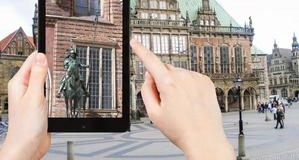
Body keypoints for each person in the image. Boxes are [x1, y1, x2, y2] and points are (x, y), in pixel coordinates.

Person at [0, 40, 235, 160]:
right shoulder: (68, 61)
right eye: (73, 55)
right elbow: (70, 65)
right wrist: (210, 149)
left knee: (80, 84)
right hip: (69, 75)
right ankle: (61, 91)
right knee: (63, 83)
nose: (72, 56)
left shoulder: (76, 60)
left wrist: (16, 152)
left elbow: (80, 65)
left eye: (73, 55)